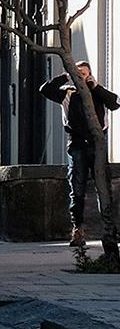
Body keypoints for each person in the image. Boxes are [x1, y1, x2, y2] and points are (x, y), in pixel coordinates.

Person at [39, 61, 120, 248]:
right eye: (78, 73)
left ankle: (109, 230)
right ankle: (78, 230)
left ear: (90, 75)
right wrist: (66, 76)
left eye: (84, 73)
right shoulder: (67, 93)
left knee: (103, 188)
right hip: (76, 144)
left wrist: (95, 86)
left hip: (97, 144)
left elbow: (115, 103)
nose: (81, 76)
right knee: (77, 188)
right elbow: (45, 90)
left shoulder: (97, 92)